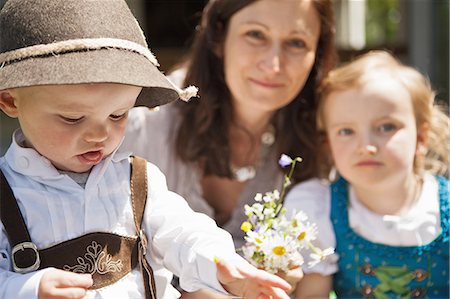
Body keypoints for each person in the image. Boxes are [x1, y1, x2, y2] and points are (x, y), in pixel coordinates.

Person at [0, 1, 293, 299]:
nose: (100, 134)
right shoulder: (7, 194)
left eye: (118, 115)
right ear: (10, 100)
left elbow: (182, 233)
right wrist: (26, 288)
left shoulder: (137, 182)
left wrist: (222, 265)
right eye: (73, 118)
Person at [122, 0, 336, 252]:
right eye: (255, 35)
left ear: (317, 55)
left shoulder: (328, 140)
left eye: (297, 42)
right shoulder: (143, 126)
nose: (273, 64)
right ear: (219, 37)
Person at [283, 50, 449, 298]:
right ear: (328, 144)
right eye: (346, 131)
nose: (365, 146)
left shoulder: (442, 206)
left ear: (421, 138)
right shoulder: (319, 207)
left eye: (385, 127)